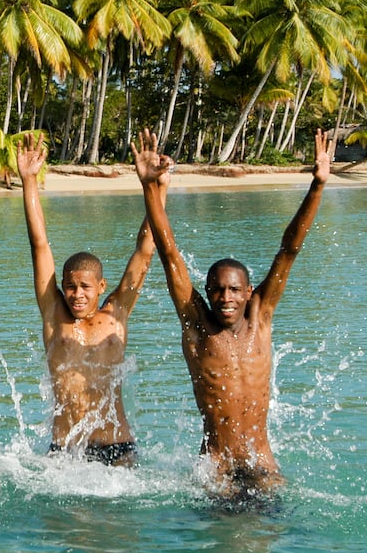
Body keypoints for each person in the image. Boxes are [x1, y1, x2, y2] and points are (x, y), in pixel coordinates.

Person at [135, 127, 332, 499]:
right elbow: (168, 252)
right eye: (217, 289)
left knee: (269, 545)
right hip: (216, 470)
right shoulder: (197, 324)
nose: (225, 297)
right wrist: (149, 187)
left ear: (249, 292)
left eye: (234, 289)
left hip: (263, 464)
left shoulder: (261, 318)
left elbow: (289, 251)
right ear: (207, 292)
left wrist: (318, 186)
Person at [17, 133, 167, 466]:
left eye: (85, 287)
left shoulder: (116, 313)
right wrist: (28, 180)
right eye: (70, 287)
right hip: (66, 452)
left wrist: (156, 188)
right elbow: (39, 244)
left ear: (101, 286)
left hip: (117, 446)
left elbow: (146, 250)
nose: (77, 295)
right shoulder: (55, 314)